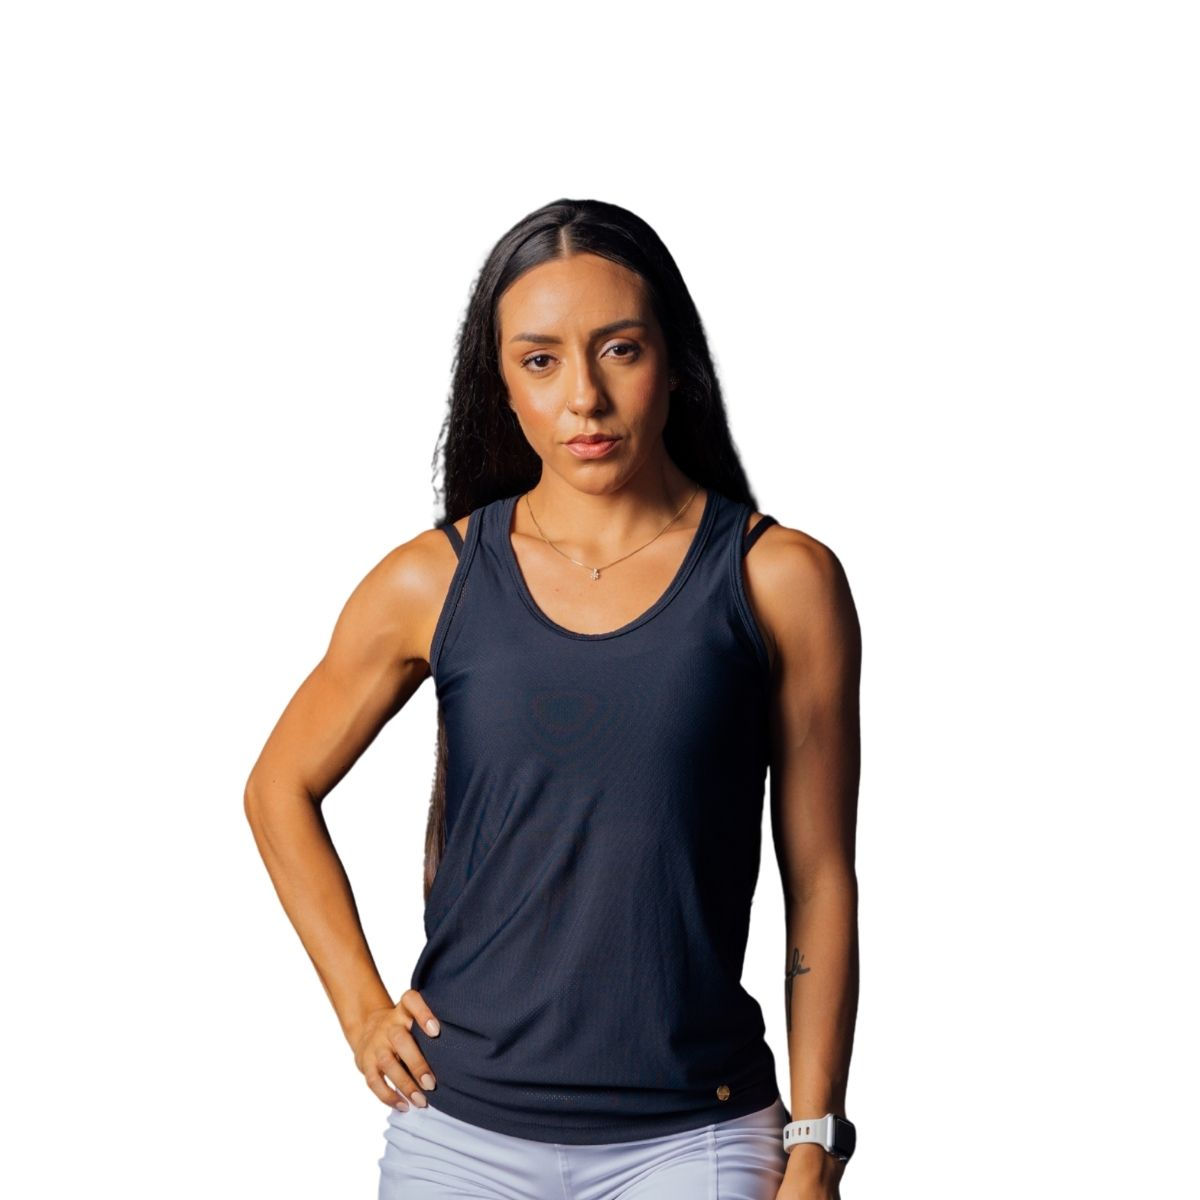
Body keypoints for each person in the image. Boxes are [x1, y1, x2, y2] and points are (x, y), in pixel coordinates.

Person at [244, 198, 861, 1200]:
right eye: (541, 361)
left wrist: (815, 1141)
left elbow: (821, 877)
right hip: (459, 1137)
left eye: (619, 349)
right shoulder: (432, 581)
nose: (585, 397)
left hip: (695, 1140)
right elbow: (278, 787)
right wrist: (360, 1009)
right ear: (501, 386)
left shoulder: (778, 580)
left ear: (674, 361)